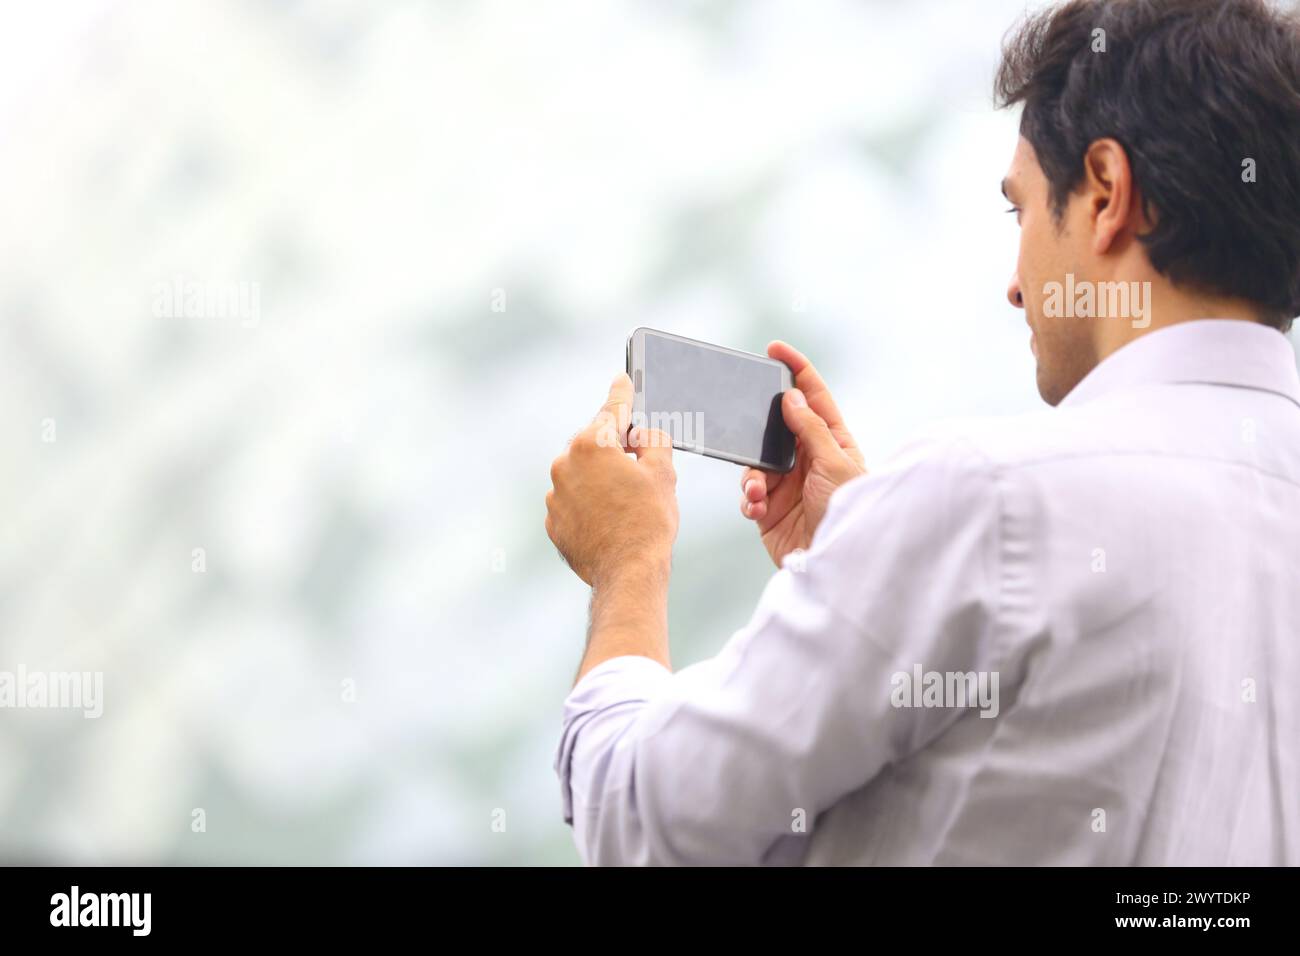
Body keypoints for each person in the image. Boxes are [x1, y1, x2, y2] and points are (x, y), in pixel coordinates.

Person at [543, 0, 1300, 865]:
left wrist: (626, 571)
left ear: (1105, 193)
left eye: (1021, 213)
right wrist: (861, 562)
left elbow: (644, 815)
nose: (1016, 287)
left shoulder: (987, 499)